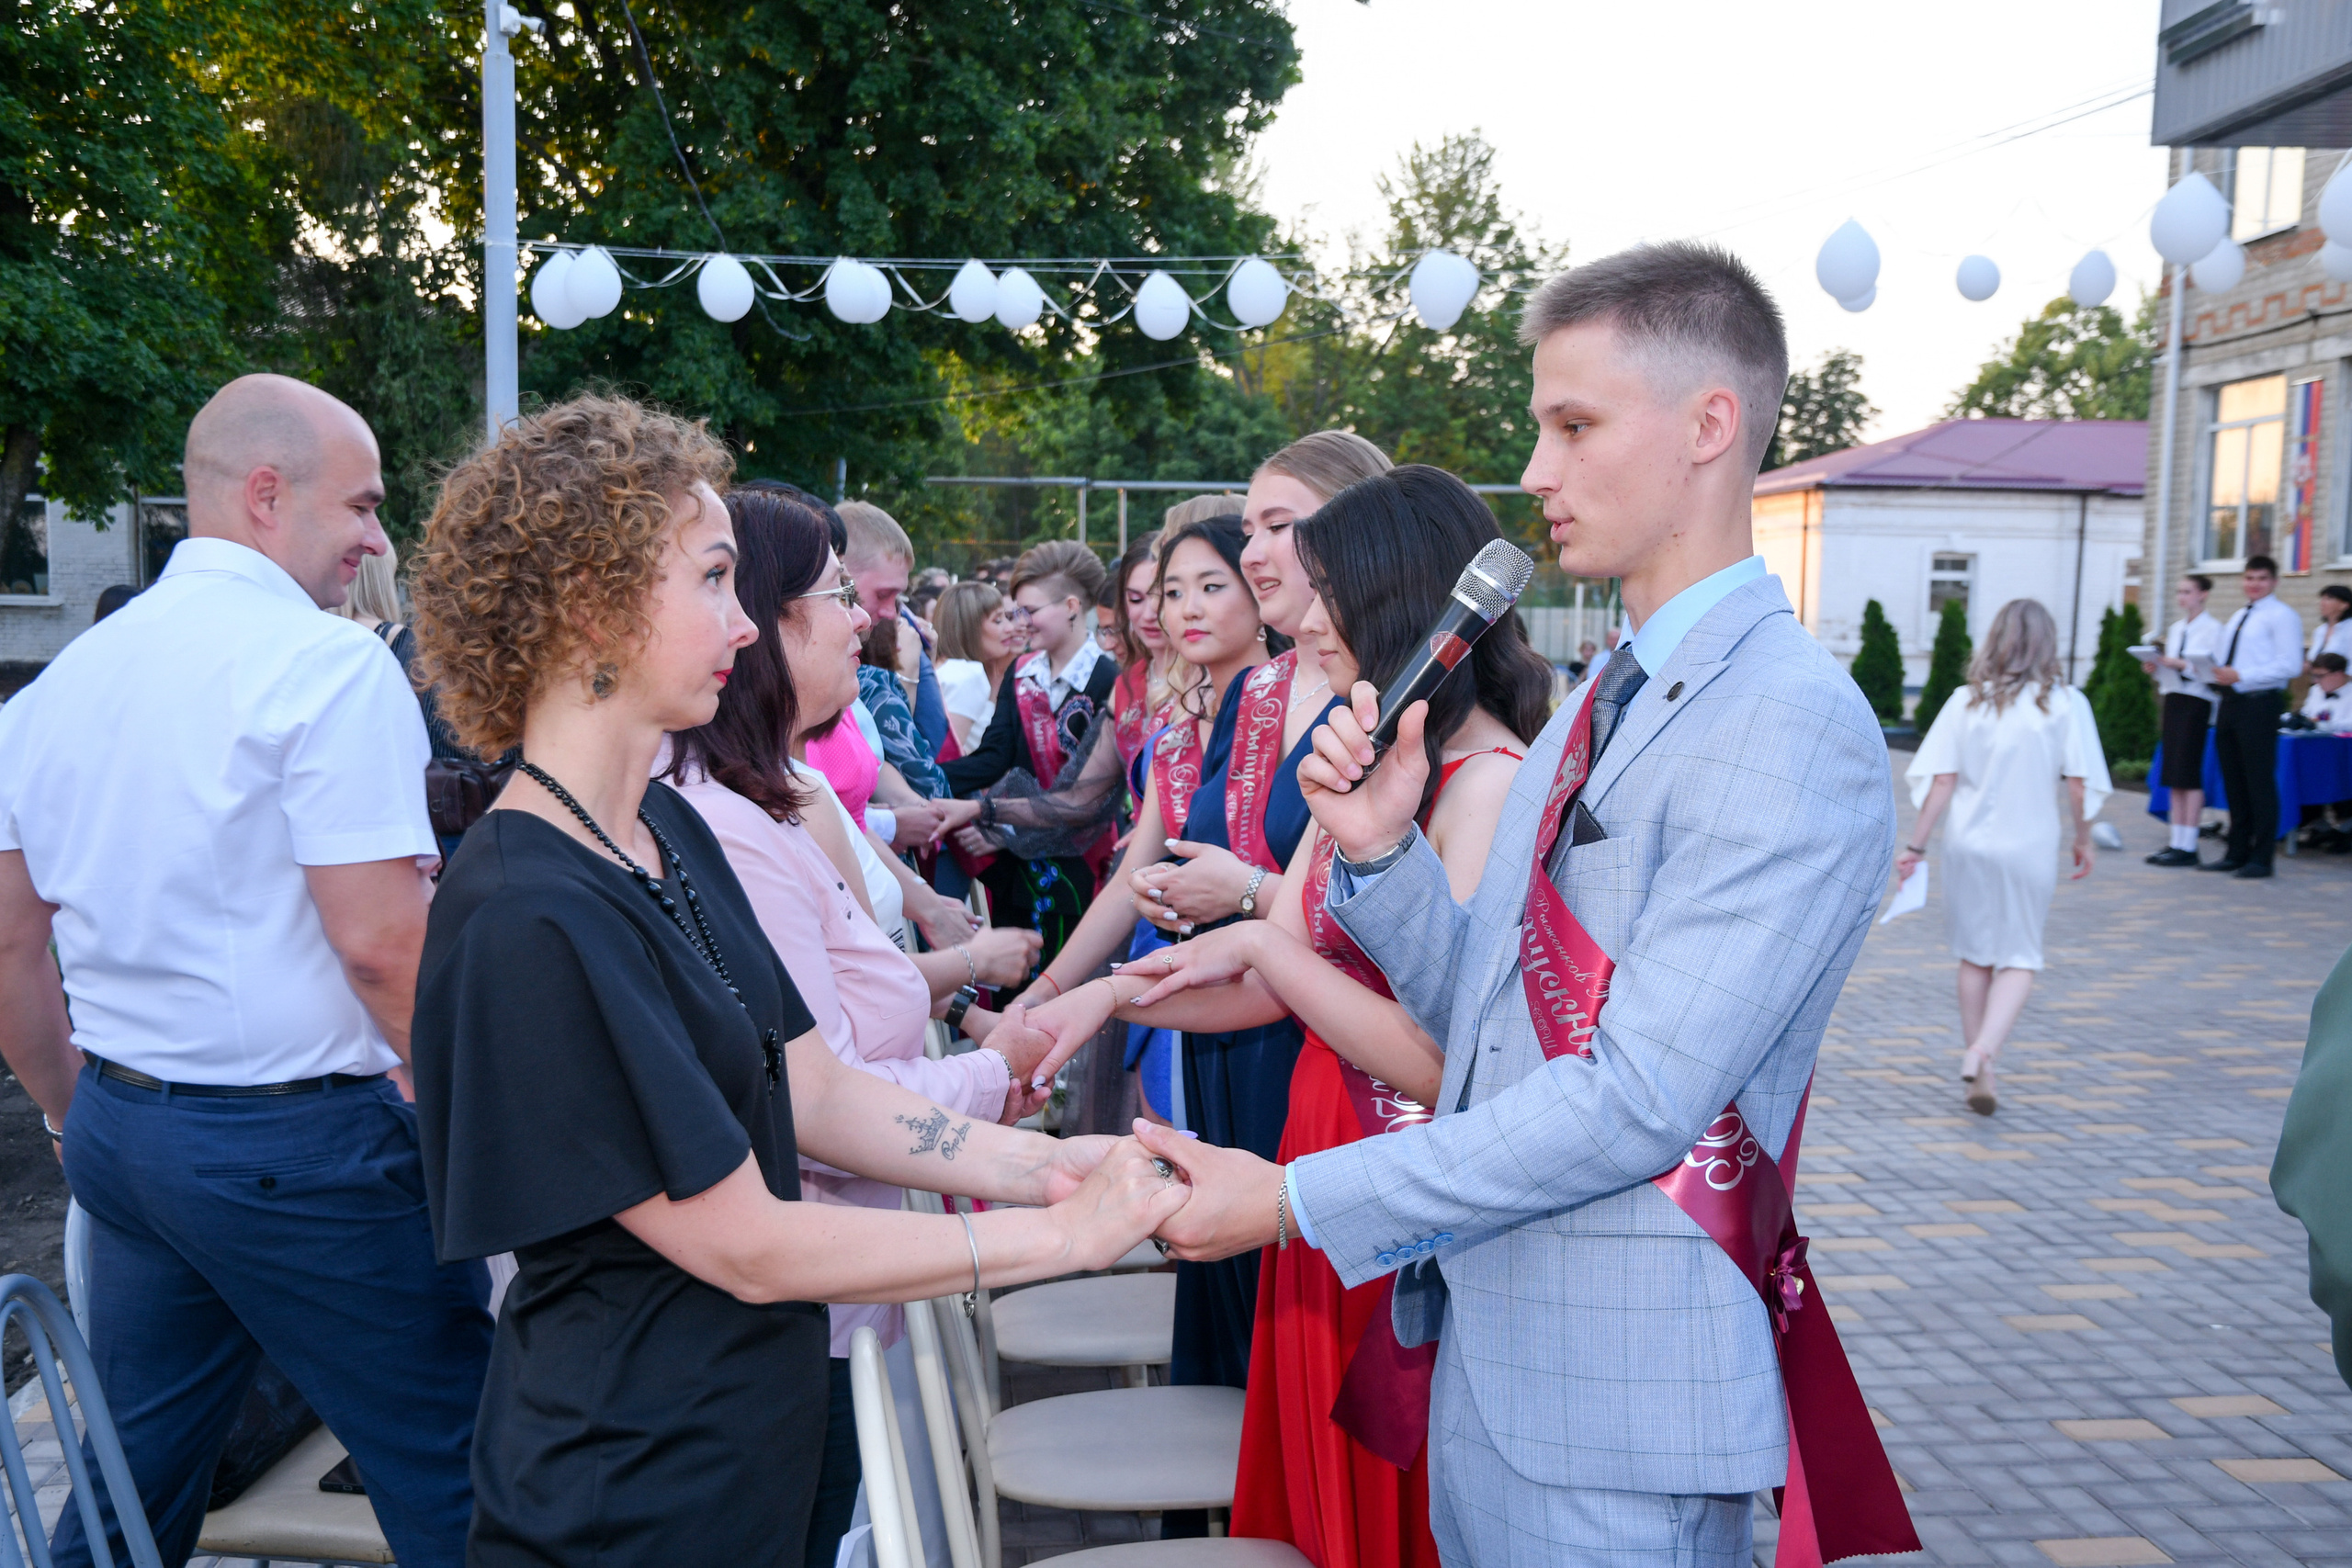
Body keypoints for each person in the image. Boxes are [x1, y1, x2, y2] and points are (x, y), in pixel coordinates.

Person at [1123, 243, 1916, 1568]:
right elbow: (1487, 1029)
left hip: (1621, 1414)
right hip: (1497, 1362)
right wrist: (1382, 861)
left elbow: (1633, 1096)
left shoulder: (1790, 719)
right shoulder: (1605, 697)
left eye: (1575, 425)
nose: (1537, 472)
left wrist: (1295, 1199)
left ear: (1710, 425)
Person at [403, 394, 1184, 1568]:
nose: (744, 624)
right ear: (587, 603)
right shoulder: (528, 910)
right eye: (714, 580)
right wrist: (1058, 1237)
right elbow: (746, 1244)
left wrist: (1042, 1164)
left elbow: (816, 1092)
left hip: (736, 1455)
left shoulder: (666, 828)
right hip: (628, 1490)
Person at [0, 374, 492, 1568]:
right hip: (300, 1145)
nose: (378, 538)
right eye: (364, 506)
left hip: (130, 1128)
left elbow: (11, 942)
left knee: (132, 1475)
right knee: (466, 1467)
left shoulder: (55, 690)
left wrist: (74, 1109)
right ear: (267, 496)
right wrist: (474, 1112)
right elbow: (381, 942)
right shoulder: (324, 668)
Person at [1025, 467, 1551, 1568]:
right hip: (1312, 1162)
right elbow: (1280, 973)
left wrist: (1260, 940)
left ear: (1400, 606)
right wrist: (1116, 993)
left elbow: (1443, 1060)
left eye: (1324, 591)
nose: (1303, 622)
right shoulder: (1376, 767)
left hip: (1388, 1183)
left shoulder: (1490, 783)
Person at [662, 484, 1050, 1568]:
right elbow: (819, 1093)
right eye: (838, 596)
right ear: (766, 625)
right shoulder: (724, 823)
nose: (862, 623)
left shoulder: (766, 794)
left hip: (838, 1263)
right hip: (799, 1286)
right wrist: (999, 1086)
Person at [1897, 599, 2110, 1116]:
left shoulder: (1965, 700)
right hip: (2029, 844)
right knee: (2019, 955)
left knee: (1975, 954)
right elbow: (2080, 786)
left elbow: (1942, 781)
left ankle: (1981, 1072)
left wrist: (1916, 846)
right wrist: (2083, 837)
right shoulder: (2065, 703)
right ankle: (1982, 1051)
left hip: (1967, 844)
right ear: (2047, 644)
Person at [941, 540, 1117, 962]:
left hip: (1078, 860)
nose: (1021, 622)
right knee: (1012, 982)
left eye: (1030, 611)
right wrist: (925, 783)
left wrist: (995, 824)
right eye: (1017, 610)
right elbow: (994, 757)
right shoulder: (1022, 670)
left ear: (1072, 606)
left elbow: (1092, 794)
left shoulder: (1110, 677)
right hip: (1014, 861)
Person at [2205, 555, 2303, 877]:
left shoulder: (2282, 616)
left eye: (2261, 579)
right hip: (2231, 703)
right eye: (2249, 578)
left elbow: (2290, 665)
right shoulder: (2239, 616)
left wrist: (2242, 675)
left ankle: (2261, 858)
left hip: (2259, 703)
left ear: (2274, 581)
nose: (2254, 584)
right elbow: (2226, 659)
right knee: (2233, 780)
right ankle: (2236, 851)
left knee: (2258, 781)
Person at [840, 499, 948, 754]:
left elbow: (921, 748)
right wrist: (907, 679)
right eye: (882, 594)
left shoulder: (898, 635)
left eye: (898, 597)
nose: (891, 611)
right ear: (842, 575)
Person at [2143, 572, 2223, 867]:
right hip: (2175, 699)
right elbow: (2173, 669)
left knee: (2188, 773)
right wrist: (2157, 667)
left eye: (2187, 591)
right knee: (2174, 773)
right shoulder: (2177, 629)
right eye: (2179, 591)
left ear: (2202, 594)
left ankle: (2189, 844)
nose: (2181, 597)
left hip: (2198, 701)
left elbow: (2211, 671)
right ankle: (2177, 841)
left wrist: (2180, 664)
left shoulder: (2213, 628)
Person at [933, 581, 1024, 754]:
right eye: (998, 620)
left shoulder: (949, 668)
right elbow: (946, 756)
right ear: (969, 627)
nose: (1010, 627)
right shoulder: (966, 675)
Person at [2298, 652, 2352, 732]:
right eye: (2313, 676)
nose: (2315, 681)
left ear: (2337, 675)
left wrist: (2321, 725)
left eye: (2320, 676)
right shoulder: (2315, 690)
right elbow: (2306, 713)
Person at [2309, 583, 2352, 671]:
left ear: (2344, 605)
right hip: (2319, 682)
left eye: (2329, 599)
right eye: (2322, 599)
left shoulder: (2349, 629)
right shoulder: (2320, 631)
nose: (2322, 603)